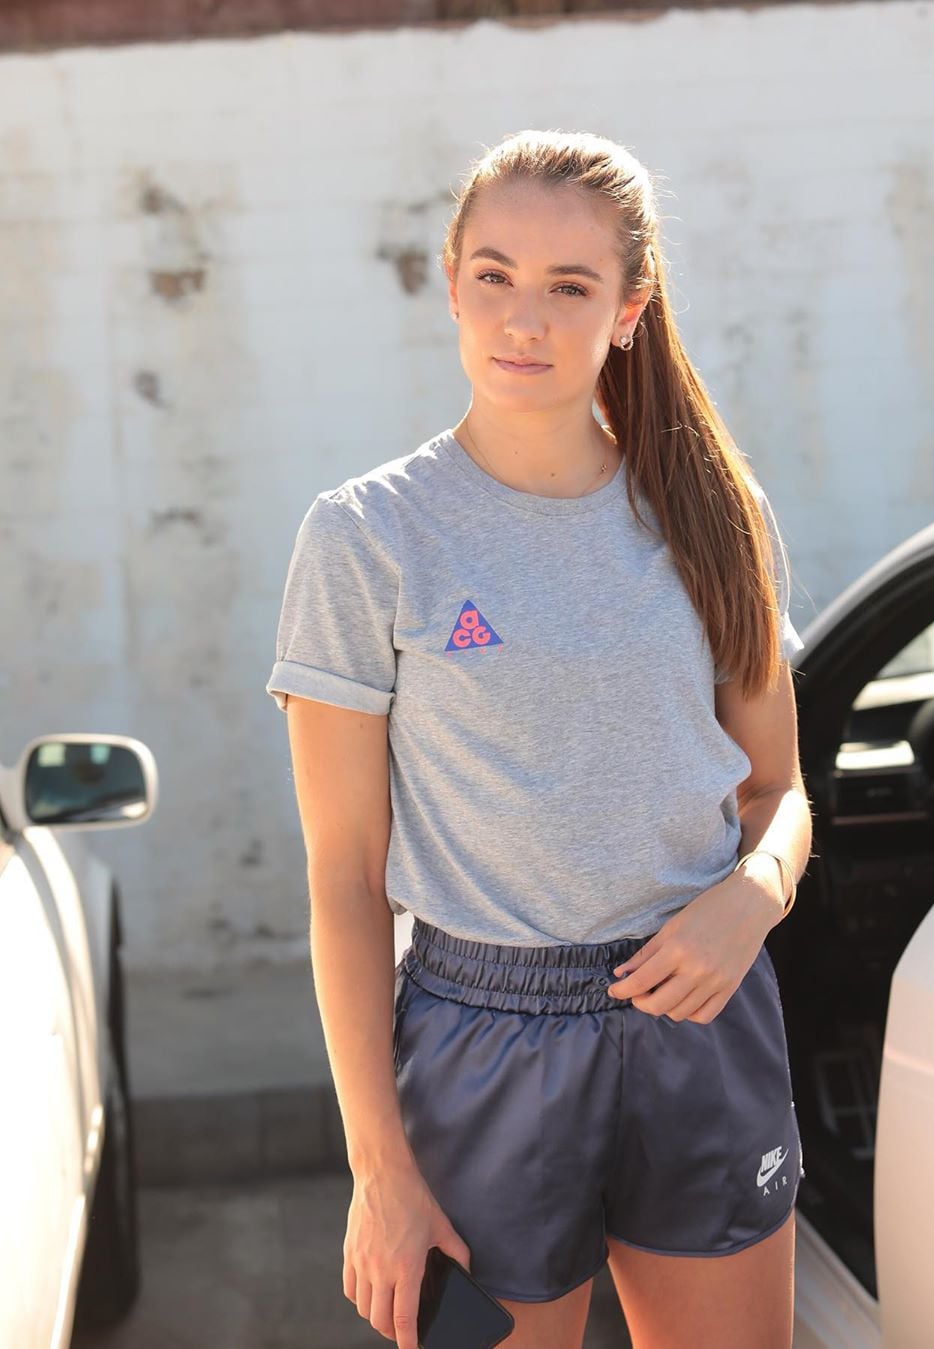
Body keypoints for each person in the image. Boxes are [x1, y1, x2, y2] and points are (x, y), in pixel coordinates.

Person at [267, 129, 812, 1349]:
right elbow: (345, 879)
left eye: (570, 285)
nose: (525, 317)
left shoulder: (717, 512)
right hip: (481, 1038)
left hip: (703, 1013)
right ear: (451, 284)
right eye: (496, 275)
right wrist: (380, 1170)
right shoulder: (368, 536)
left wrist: (754, 894)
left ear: (629, 309)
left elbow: (778, 787)